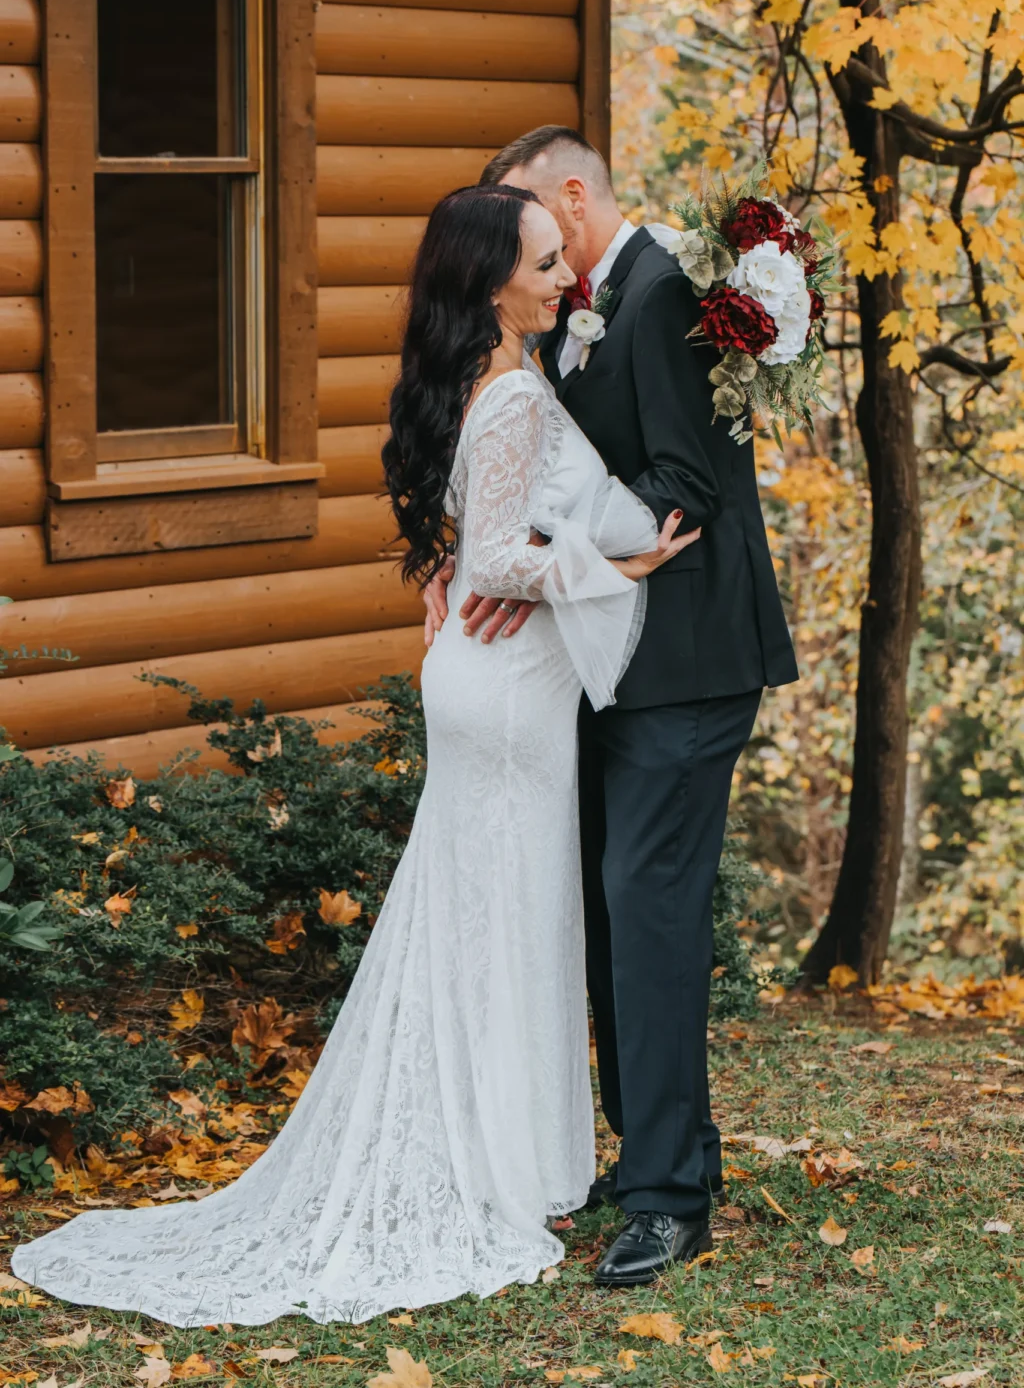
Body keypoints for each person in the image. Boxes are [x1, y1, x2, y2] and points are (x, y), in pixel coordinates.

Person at [13, 184, 696, 1326]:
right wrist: (616, 570)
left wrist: (541, 553)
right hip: (507, 699)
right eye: (538, 264)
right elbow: (492, 559)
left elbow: (468, 534)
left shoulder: (472, 380)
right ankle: (490, 1167)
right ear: (488, 283)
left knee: (480, 913)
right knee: (506, 917)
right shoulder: (515, 393)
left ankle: (501, 1158)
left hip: (485, 689)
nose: (559, 277)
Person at [425, 127, 798, 1286]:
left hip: (688, 664)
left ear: (571, 197)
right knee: (610, 910)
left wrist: (543, 555)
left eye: (531, 222)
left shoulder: (667, 297)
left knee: (646, 914)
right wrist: (497, 558)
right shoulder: (591, 310)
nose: (525, 249)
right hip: (608, 666)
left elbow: (684, 487)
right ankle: (659, 1151)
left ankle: (667, 1196)